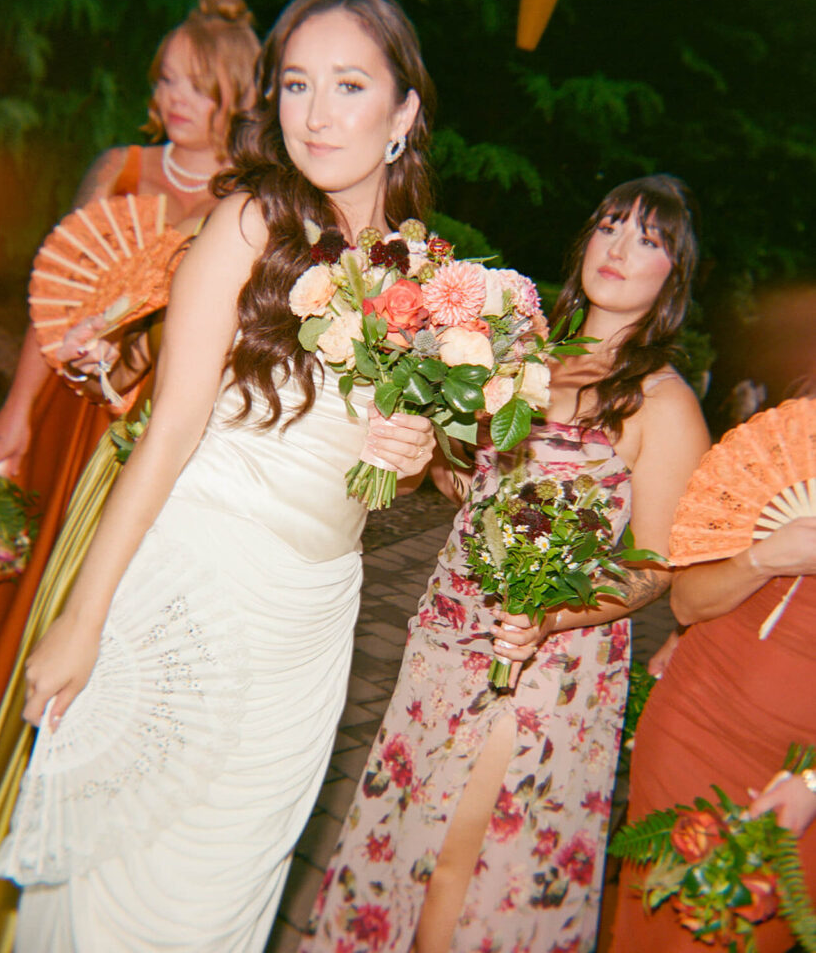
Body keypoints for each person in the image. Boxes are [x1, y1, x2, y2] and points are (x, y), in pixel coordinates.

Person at [0, 0, 437, 952]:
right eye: (295, 85)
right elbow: (169, 428)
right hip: (195, 585)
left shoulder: (415, 272)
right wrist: (82, 616)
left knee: (228, 891)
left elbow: (369, 464)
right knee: (124, 883)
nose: (317, 115)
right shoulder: (247, 225)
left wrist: (405, 456)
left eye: (350, 85)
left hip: (311, 623)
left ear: (403, 111)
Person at [300, 174, 711, 953]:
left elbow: (654, 568)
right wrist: (413, 432)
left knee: (465, 854)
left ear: (672, 277)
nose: (620, 248)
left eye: (648, 240)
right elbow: (465, 481)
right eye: (610, 225)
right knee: (406, 830)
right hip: (445, 632)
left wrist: (553, 612)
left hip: (545, 660)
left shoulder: (661, 402)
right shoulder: (518, 354)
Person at [0, 0, 261, 701]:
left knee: (106, 583)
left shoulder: (246, 205)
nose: (175, 98)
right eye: (166, 78)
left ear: (235, 95)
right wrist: (18, 410)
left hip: (153, 425)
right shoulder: (120, 168)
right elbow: (55, 298)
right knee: (27, 565)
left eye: (198, 86)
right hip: (70, 402)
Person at [609, 425, 816, 952]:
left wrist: (811, 785)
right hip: (691, 725)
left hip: (795, 777)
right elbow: (687, 604)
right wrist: (766, 558)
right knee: (645, 927)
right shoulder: (779, 460)